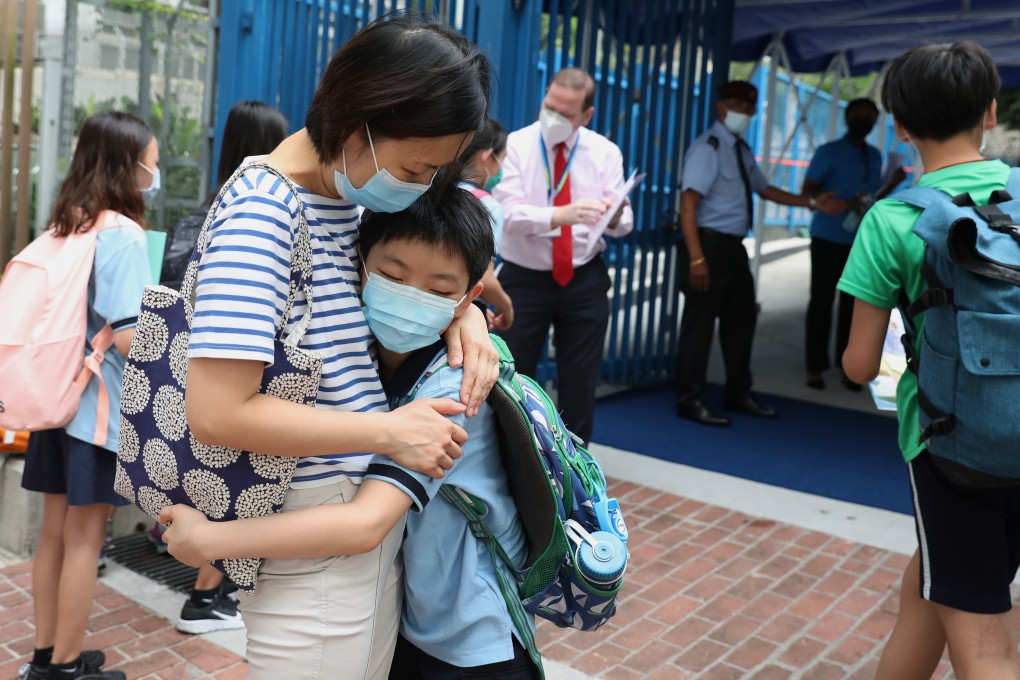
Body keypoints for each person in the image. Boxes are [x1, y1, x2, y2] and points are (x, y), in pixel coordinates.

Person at [181, 14, 496, 680]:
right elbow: (217, 411)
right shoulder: (265, 215)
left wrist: (462, 319)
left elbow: (424, 274)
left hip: (347, 528)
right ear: (360, 124)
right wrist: (387, 432)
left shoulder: (340, 196)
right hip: (311, 546)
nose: (420, 186)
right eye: (417, 167)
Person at [160, 184, 540, 679]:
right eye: (391, 275)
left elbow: (364, 523)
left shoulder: (453, 383)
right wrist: (462, 314)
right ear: (358, 264)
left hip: (472, 638)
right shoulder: (364, 345)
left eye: (440, 291)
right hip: (415, 621)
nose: (411, 298)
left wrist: (211, 540)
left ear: (469, 294)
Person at [840, 42, 1013, 679]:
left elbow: (859, 366)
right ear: (990, 113)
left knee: (987, 649)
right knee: (935, 582)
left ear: (901, 125)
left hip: (953, 451)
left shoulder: (892, 220)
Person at [18, 112, 157, 680]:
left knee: (53, 535)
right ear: (127, 165)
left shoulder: (66, 223)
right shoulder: (121, 232)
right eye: (150, 160)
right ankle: (69, 669)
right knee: (84, 540)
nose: (154, 171)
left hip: (54, 399)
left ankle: (45, 656)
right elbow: (126, 334)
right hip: (96, 410)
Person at [152, 99, 290, 636]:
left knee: (198, 484)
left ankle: (208, 590)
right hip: (242, 384)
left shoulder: (196, 219)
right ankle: (207, 597)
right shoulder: (262, 215)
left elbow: (169, 299)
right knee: (230, 486)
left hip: (179, 381)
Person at [674, 79, 845, 427]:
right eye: (739, 106)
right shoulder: (708, 148)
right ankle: (689, 398)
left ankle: (738, 392)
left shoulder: (739, 148)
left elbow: (764, 189)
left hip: (733, 246)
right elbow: (688, 205)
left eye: (750, 108)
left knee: (741, 319)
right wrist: (696, 258)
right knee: (699, 324)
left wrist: (813, 203)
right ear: (722, 107)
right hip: (708, 244)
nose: (745, 113)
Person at [493, 67, 634, 445]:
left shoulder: (605, 152)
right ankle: (512, 454)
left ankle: (574, 463)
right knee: (511, 373)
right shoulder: (518, 146)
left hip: (583, 275)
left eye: (566, 113)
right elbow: (508, 214)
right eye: (549, 105)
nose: (553, 117)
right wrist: (560, 215)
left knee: (580, 378)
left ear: (586, 116)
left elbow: (624, 223)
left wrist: (616, 213)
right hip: (524, 277)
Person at [802, 98, 906, 391]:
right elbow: (807, 191)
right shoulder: (829, 152)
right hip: (827, 236)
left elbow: (871, 196)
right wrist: (834, 203)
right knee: (821, 302)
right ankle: (815, 368)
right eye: (859, 115)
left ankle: (849, 367)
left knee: (854, 305)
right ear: (847, 117)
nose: (865, 120)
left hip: (859, 239)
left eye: (870, 116)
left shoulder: (873, 155)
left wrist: (893, 183)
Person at [457, 117, 514, 330]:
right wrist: (506, 306)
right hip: (460, 315)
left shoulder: (431, 188)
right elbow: (484, 279)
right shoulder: (486, 205)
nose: (501, 169)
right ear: (487, 157)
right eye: (502, 159)